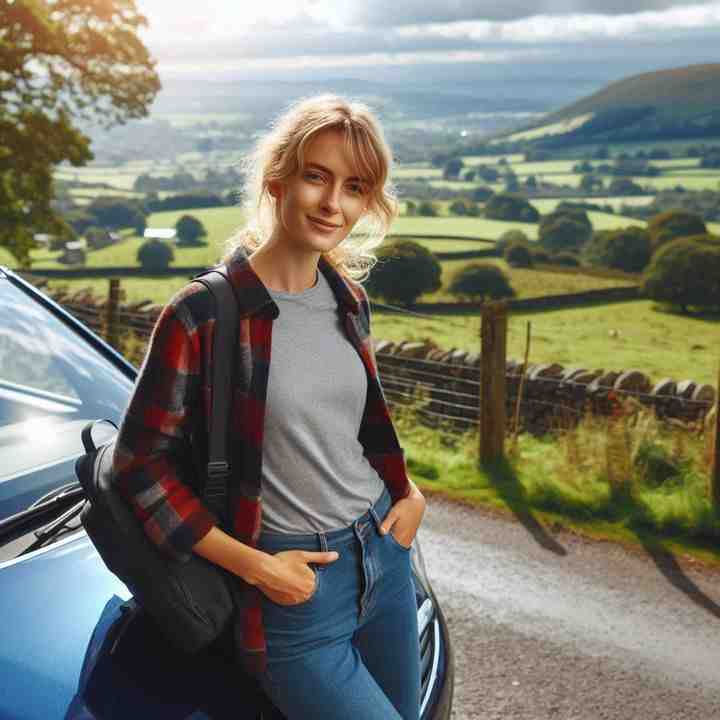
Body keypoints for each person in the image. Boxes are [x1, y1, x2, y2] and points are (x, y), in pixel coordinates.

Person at [111, 93, 426, 720]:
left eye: (355, 187)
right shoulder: (202, 314)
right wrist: (256, 568)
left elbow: (355, 428)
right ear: (278, 179)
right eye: (318, 176)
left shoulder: (348, 299)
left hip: (386, 558)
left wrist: (409, 494)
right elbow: (138, 466)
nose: (334, 203)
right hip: (292, 591)